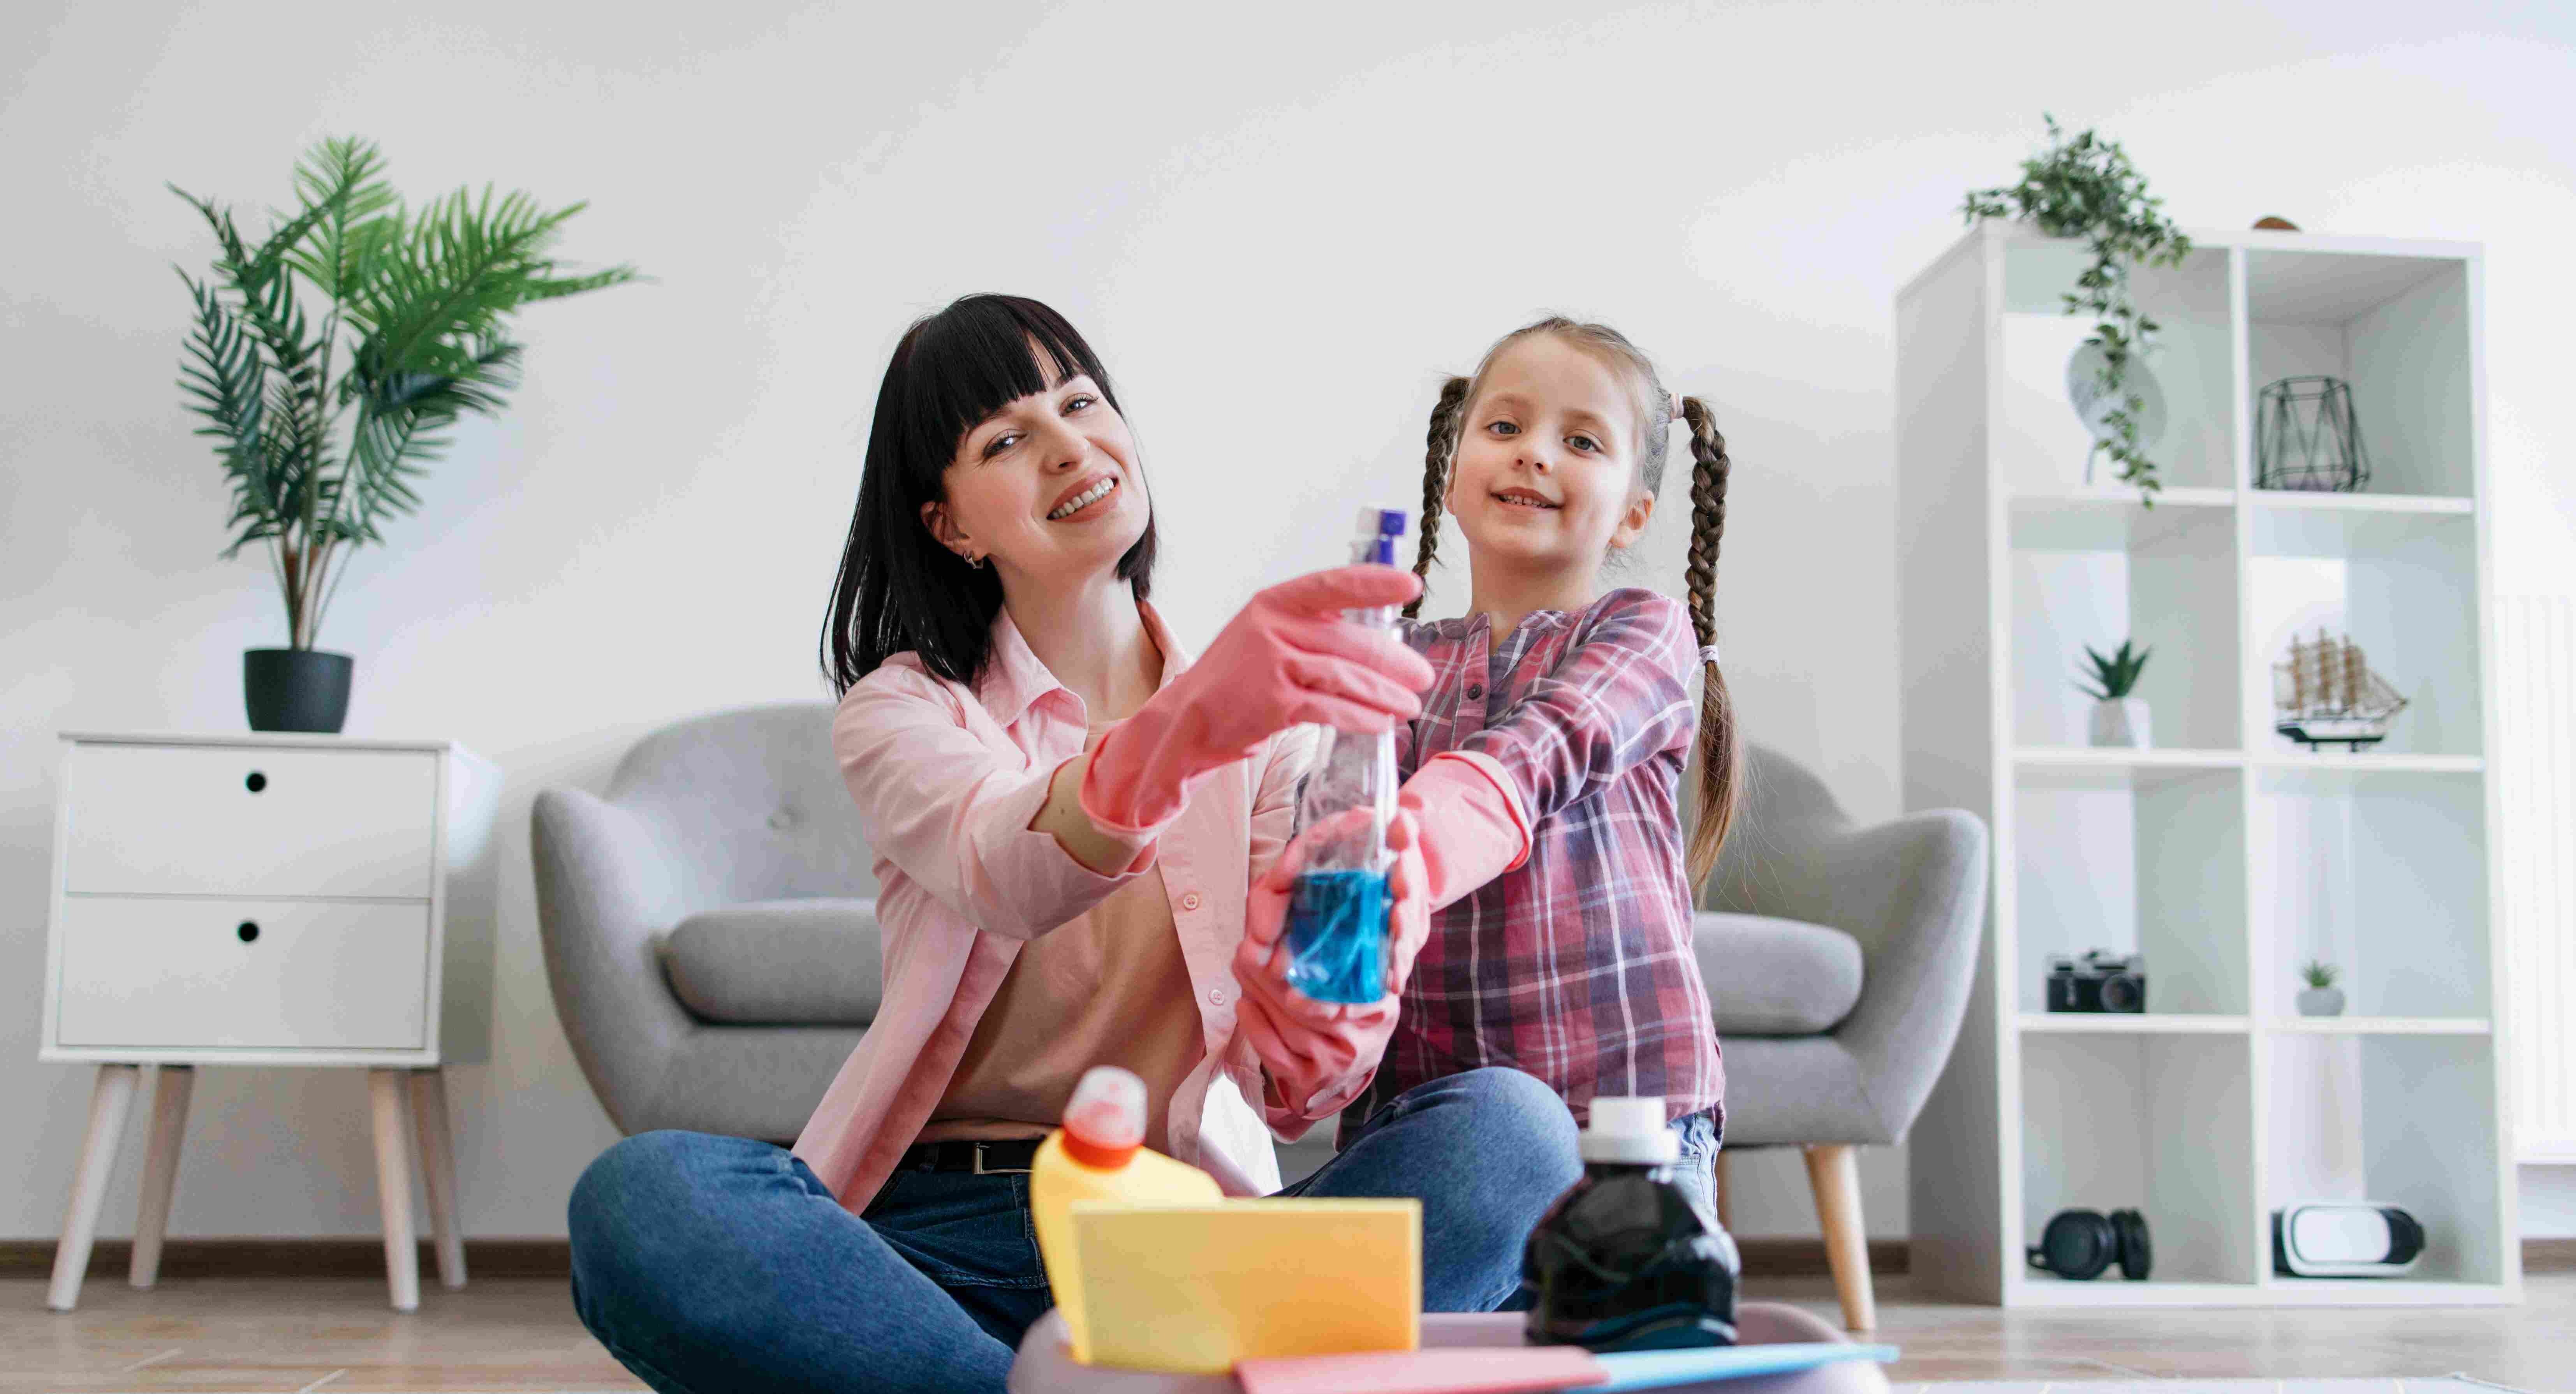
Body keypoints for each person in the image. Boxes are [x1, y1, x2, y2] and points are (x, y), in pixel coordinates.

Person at [564, 294, 1580, 1394]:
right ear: (953, 524)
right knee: (642, 1196)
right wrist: (1186, 729)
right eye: (1005, 439)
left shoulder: (1280, 735)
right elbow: (1010, 864)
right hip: (928, 1252)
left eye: (1081, 402)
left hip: (1188, 1252)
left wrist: (1330, 1006)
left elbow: (1295, 1096)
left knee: (1515, 1135)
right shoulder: (906, 711)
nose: (1066, 445)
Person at [1240, 315, 1740, 1220]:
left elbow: (1540, 751)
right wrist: (1307, 1028)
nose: (1532, 455)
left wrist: (1393, 860)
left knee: (1611, 1348)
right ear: (1453, 473)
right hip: (1434, 1141)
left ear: (1634, 509)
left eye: (1579, 440)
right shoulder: (1391, 664)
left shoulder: (1646, 633)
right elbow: (1324, 888)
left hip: (1628, 1136)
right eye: (1503, 428)